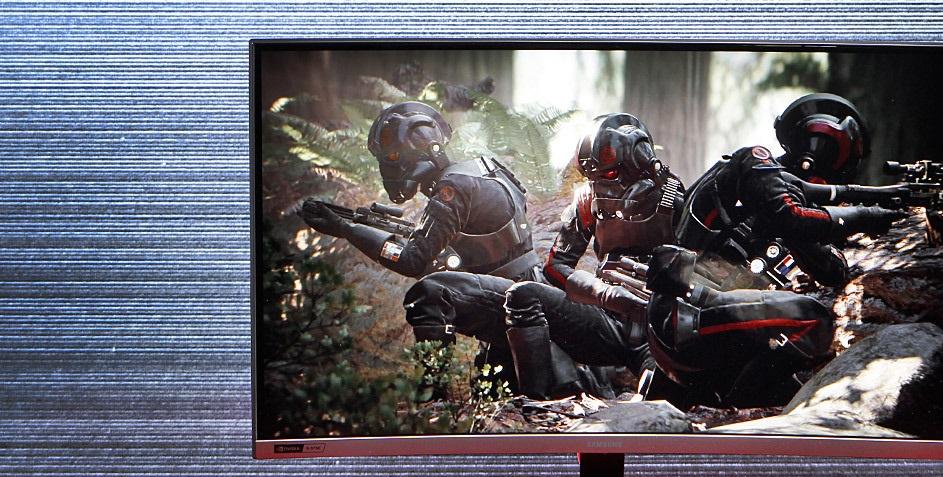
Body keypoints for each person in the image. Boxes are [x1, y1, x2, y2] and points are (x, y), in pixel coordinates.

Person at [299, 101, 545, 379]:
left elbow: (412, 261)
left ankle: (434, 389)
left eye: (393, 157)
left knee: (428, 296)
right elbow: (486, 242)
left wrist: (348, 230)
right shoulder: (487, 167)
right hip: (530, 292)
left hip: (510, 302)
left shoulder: (452, 188)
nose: (391, 167)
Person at [500, 113, 686, 398]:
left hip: (659, 330)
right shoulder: (589, 199)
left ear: (640, 162)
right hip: (606, 320)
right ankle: (535, 403)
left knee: (660, 393)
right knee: (523, 295)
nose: (601, 185)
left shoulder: (676, 200)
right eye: (593, 177)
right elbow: (557, 266)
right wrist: (602, 293)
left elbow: (705, 274)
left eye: (608, 175)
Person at [677, 93, 906, 290]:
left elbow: (834, 272)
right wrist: (862, 217)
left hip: (706, 300)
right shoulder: (753, 160)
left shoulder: (789, 215)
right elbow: (788, 216)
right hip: (682, 286)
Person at [643, 245, 834, 407]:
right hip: (728, 379)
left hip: (708, 373)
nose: (719, 268)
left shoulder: (661, 307)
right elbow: (810, 317)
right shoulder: (695, 315)